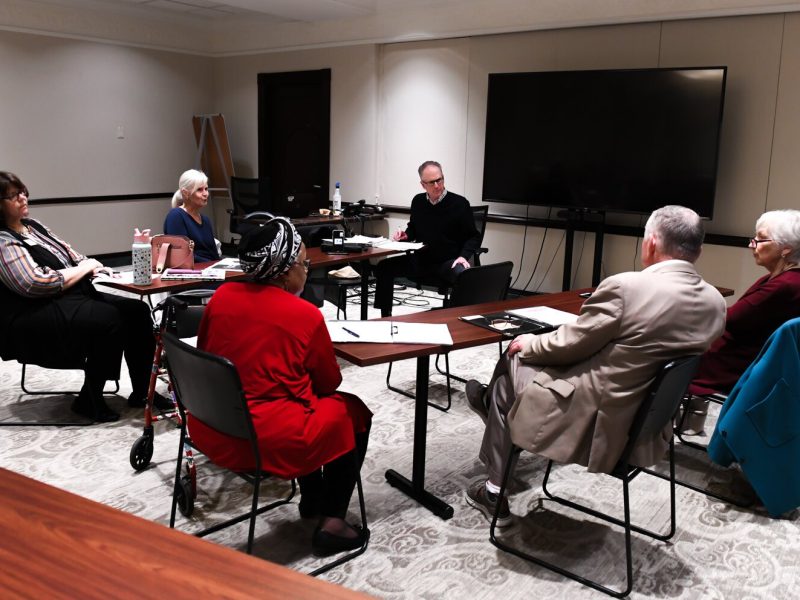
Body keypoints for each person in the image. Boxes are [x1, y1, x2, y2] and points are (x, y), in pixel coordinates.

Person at [463, 205, 727, 527]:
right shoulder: (715, 302)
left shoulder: (627, 287)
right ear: (697, 250)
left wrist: (528, 343)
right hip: (645, 423)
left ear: (651, 243)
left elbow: (567, 345)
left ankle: (493, 484)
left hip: (595, 421)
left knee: (513, 360)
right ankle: (494, 409)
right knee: (519, 375)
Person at [193, 217, 372, 554]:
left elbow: (207, 357)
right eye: (304, 263)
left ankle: (313, 497)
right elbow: (330, 382)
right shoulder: (304, 314)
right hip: (264, 440)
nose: (307, 270)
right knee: (353, 412)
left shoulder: (220, 297)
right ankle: (332, 522)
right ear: (284, 271)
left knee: (308, 404)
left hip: (212, 426)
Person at [0, 171, 163, 422]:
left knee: (137, 311)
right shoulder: (3, 240)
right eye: (13, 196)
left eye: (22, 192)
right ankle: (90, 398)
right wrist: (85, 269)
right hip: (30, 311)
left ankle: (143, 392)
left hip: (66, 297)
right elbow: (35, 283)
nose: (22, 198)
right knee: (108, 318)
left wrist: (97, 267)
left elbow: (73, 255)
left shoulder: (34, 227)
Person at [681, 209, 800, 434]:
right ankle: (690, 420)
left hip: (732, 365)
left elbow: (729, 319)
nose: (752, 245)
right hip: (748, 359)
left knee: (661, 355)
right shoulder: (785, 279)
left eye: (760, 239)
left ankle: (647, 430)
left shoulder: (784, 286)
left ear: (786, 248)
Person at [373, 161, 481, 316]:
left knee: (463, 274)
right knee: (384, 267)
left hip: (447, 261)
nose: (437, 185)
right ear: (423, 185)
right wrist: (406, 236)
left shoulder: (459, 203)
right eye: (432, 182)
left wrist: (463, 257)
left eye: (440, 180)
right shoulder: (418, 202)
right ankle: (385, 316)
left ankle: (460, 319)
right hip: (422, 259)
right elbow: (414, 229)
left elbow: (473, 236)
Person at [164, 169, 220, 263]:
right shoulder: (176, 216)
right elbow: (182, 254)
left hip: (209, 269)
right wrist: (210, 264)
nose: (205, 194)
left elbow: (214, 255)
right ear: (186, 193)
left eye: (206, 189)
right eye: (199, 190)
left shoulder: (205, 220)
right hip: (192, 271)